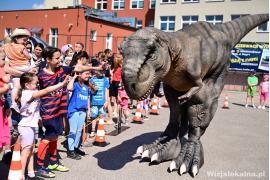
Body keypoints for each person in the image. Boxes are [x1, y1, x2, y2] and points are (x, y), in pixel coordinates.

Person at [36, 47, 102, 178]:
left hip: (59, 110)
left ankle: (53, 162)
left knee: (55, 136)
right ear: (48, 59)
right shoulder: (41, 76)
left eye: (60, 57)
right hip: (47, 111)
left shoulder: (62, 69)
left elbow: (78, 68)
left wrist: (95, 68)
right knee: (47, 137)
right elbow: (35, 94)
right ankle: (40, 167)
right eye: (56, 58)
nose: (59, 60)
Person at [16, 72, 68, 179]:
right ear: (27, 85)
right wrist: (62, 84)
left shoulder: (32, 91)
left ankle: (31, 174)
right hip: (26, 127)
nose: (37, 85)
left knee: (30, 151)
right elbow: (46, 90)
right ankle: (20, 176)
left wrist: (38, 119)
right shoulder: (27, 94)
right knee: (25, 152)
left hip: (31, 126)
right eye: (35, 83)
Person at [3, 28, 34, 113]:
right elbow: (28, 56)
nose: (25, 42)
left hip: (14, 67)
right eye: (24, 40)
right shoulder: (21, 47)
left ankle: (14, 103)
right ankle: (27, 107)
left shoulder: (7, 47)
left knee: (16, 86)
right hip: (24, 67)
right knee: (29, 85)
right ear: (17, 38)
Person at [67, 71, 91, 159]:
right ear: (80, 75)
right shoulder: (76, 84)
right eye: (86, 73)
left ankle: (75, 147)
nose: (88, 75)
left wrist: (88, 110)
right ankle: (70, 150)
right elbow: (69, 88)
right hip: (74, 111)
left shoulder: (86, 87)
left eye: (89, 73)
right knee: (73, 131)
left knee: (79, 131)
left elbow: (88, 99)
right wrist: (73, 78)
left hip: (83, 111)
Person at [89, 70, 110, 137]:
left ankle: (101, 129)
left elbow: (107, 91)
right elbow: (89, 91)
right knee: (94, 116)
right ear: (95, 71)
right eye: (100, 71)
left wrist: (106, 101)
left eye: (103, 71)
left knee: (102, 115)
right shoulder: (92, 79)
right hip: (94, 102)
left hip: (102, 102)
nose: (102, 72)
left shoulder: (105, 79)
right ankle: (93, 130)